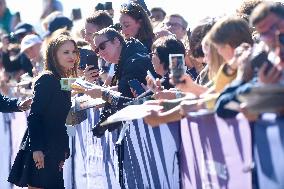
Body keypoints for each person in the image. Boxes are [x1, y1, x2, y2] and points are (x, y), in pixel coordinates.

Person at [8, 32, 79, 188]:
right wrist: (37, 149)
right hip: (41, 150)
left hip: (55, 150)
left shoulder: (62, 81)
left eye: (74, 51)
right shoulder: (46, 79)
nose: (72, 55)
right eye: (66, 52)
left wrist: (63, 149)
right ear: (54, 55)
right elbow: (34, 116)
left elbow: (74, 87)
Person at [77, 27, 153, 137]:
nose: (100, 53)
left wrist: (103, 94)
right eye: (97, 50)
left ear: (116, 41)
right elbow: (123, 89)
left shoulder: (134, 61)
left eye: (102, 47)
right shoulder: (125, 59)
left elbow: (125, 100)